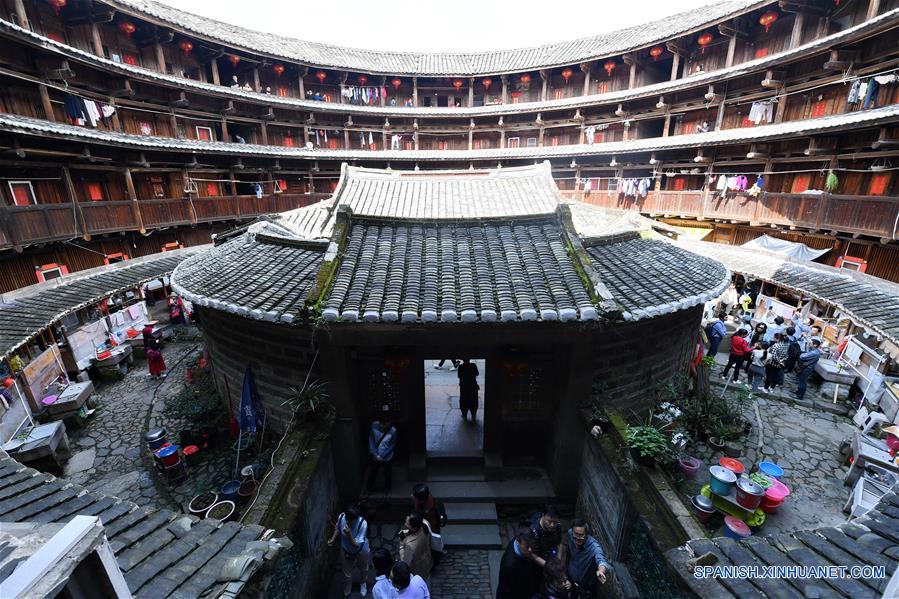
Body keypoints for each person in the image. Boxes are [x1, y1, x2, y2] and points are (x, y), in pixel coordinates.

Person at [328, 504, 370, 598]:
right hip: (345, 549)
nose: (347, 521)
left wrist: (349, 534)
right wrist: (333, 539)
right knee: (347, 573)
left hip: (360, 550)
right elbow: (337, 528)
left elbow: (356, 545)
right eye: (347, 518)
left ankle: (363, 583)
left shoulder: (362, 524)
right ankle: (347, 591)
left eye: (350, 520)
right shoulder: (342, 516)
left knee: (364, 568)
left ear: (356, 518)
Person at [561, 519, 610, 599]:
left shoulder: (594, 547)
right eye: (575, 534)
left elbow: (601, 561)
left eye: (580, 535)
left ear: (587, 535)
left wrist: (601, 571)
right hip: (571, 579)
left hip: (587, 586)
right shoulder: (570, 534)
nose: (577, 538)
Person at [497, 526, 540, 599]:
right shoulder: (509, 565)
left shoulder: (519, 543)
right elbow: (506, 591)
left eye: (531, 545)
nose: (530, 549)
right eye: (526, 546)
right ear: (518, 542)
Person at [367, 410, 397, 494]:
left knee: (387, 473)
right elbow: (371, 440)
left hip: (387, 457)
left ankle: (387, 488)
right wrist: (376, 454)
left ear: (389, 422)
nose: (382, 425)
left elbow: (391, 446)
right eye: (381, 423)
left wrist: (382, 456)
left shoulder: (393, 431)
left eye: (384, 424)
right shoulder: (374, 425)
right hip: (375, 455)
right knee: (372, 472)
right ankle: (368, 488)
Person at [399, 512, 433, 585]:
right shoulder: (425, 523)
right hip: (426, 561)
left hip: (417, 569)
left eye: (407, 524)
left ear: (414, 528)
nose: (405, 524)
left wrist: (402, 545)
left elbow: (405, 563)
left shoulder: (410, 545)